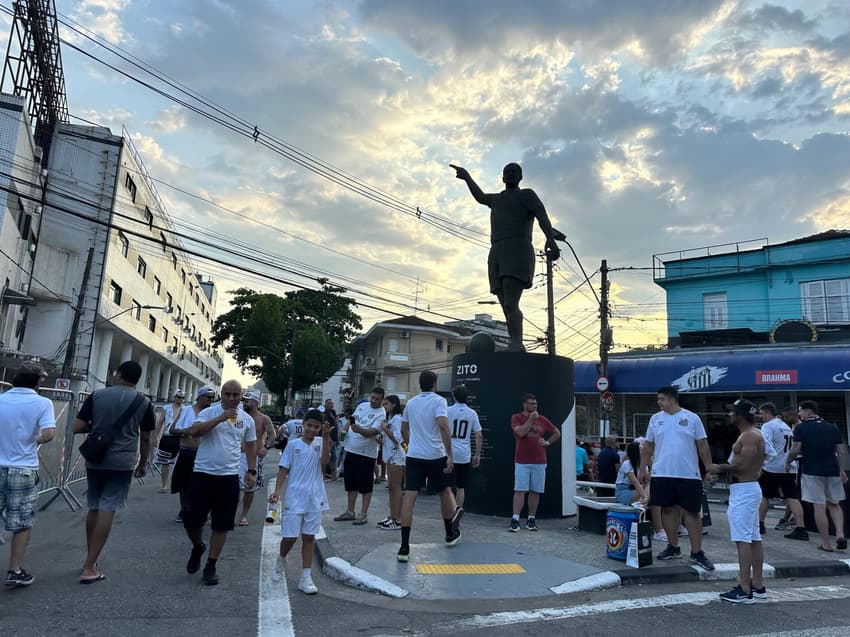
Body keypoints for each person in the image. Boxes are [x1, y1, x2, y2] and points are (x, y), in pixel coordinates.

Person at [450, 162, 561, 351]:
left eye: (514, 172)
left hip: (517, 249)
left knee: (511, 303)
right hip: (497, 252)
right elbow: (481, 197)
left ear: (520, 177)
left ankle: (517, 343)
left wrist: (551, 239)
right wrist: (467, 177)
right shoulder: (497, 199)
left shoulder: (527, 195)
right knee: (504, 304)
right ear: (502, 178)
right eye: (507, 172)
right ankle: (514, 342)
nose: (510, 175)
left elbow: (542, 216)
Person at [72, 360, 154, 583]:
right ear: (137, 380)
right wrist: (143, 463)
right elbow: (146, 437)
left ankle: (90, 559)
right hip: (122, 461)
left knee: (95, 505)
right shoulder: (144, 402)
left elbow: (77, 426)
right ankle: (90, 565)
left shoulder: (97, 395)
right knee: (109, 507)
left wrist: (98, 427)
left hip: (96, 458)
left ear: (118, 374)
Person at [182, 380, 257, 586]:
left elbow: (251, 445)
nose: (232, 399)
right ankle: (198, 546)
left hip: (229, 476)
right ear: (221, 394)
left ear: (241, 396)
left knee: (221, 524)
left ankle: (211, 565)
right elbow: (195, 432)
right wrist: (220, 418)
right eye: (228, 394)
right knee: (191, 520)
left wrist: (251, 470)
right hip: (203, 473)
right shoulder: (209, 412)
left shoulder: (247, 420)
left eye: (236, 395)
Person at [639, 386, 714, 570]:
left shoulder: (692, 418)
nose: (659, 402)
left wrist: (709, 468)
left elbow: (702, 445)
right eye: (658, 399)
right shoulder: (655, 420)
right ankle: (673, 546)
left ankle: (697, 552)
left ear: (672, 399)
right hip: (662, 472)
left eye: (661, 399)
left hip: (689, 473)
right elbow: (648, 445)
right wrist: (643, 468)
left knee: (691, 513)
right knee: (667, 510)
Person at [398, 371, 463, 562]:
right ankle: (450, 532)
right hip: (435, 454)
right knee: (444, 491)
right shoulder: (439, 401)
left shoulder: (411, 402)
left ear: (420, 384)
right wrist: (450, 454)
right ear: (434, 384)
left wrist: (412, 445)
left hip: (414, 455)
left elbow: (403, 429)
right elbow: (443, 426)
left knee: (409, 497)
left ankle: (404, 548)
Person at [0, 361, 55, 587]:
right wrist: (34, 440)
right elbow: (49, 433)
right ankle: (14, 569)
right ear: (38, 382)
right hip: (23, 468)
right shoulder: (42, 403)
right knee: (22, 522)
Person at [708, 400, 768, 604]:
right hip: (747, 488)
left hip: (744, 490)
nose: (729, 415)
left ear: (741, 415)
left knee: (743, 540)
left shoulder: (750, 435)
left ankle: (744, 589)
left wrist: (719, 468)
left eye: (732, 411)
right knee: (752, 538)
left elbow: (742, 465)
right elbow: (757, 465)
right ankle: (757, 585)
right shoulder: (752, 435)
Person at [269, 409, 331, 594]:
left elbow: (325, 463)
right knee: (290, 537)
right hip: (295, 496)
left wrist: (327, 438)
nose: (312, 430)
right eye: (309, 425)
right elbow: (283, 469)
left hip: (314, 498)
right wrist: (277, 490)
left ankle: (305, 577)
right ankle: (281, 559)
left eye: (316, 427)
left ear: (321, 428)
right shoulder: (293, 445)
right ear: (303, 424)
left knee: (309, 537)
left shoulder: (321, 443)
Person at [786, 400, 847, 552]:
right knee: (834, 503)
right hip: (832, 470)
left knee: (818, 506)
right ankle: (840, 533)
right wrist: (841, 470)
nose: (799, 414)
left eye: (800, 411)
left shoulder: (801, 428)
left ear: (808, 411)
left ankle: (826, 543)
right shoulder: (832, 427)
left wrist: (788, 461)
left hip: (811, 471)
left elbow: (795, 449)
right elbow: (841, 451)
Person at [333, 389, 385, 525]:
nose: (373, 401)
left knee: (366, 485)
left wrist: (360, 430)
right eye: (372, 398)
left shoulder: (381, 414)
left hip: (366, 454)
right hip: (350, 449)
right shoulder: (362, 406)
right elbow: (351, 421)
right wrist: (343, 430)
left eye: (377, 399)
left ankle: (363, 514)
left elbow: (373, 432)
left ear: (382, 400)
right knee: (351, 483)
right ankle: (350, 511)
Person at [509, 394, 560, 532]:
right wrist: (531, 420)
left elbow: (556, 432)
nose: (534, 406)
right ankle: (515, 519)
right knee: (520, 490)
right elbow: (520, 433)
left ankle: (531, 519)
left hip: (539, 460)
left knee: (535, 490)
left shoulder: (542, 419)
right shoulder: (516, 418)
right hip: (522, 460)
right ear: (525, 405)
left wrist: (548, 442)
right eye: (531, 404)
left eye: (536, 404)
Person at [757, 402, 807, 541]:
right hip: (789, 466)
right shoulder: (785, 426)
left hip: (772, 466)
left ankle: (760, 524)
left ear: (767, 413)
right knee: (792, 497)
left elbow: (764, 445)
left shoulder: (768, 426)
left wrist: (759, 463)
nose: (761, 417)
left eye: (761, 414)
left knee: (764, 495)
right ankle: (801, 527)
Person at [169, 386, 215, 523]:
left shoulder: (211, 413)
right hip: (186, 450)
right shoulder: (186, 410)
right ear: (200, 396)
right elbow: (172, 429)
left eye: (212, 398)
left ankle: (201, 511)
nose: (210, 400)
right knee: (183, 483)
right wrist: (187, 431)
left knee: (203, 484)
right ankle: (184, 509)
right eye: (208, 397)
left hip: (203, 452)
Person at [237, 391, 276, 526]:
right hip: (236, 454)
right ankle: (227, 513)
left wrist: (265, 447)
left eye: (247, 401)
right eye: (244, 401)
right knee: (233, 487)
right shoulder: (237, 416)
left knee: (250, 487)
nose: (244, 403)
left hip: (253, 456)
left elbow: (273, 435)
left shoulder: (263, 419)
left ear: (255, 402)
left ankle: (244, 514)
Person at [447, 385, 483, 510]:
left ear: (454, 396)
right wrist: (477, 454)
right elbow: (478, 435)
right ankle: (457, 512)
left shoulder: (448, 411)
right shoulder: (472, 413)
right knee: (461, 487)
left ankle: (449, 509)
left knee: (447, 486)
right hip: (464, 454)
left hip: (449, 452)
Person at [377, 394, 405, 530]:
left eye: (386, 404)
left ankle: (398, 519)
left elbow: (397, 439)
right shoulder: (390, 419)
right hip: (389, 456)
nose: (384, 407)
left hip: (396, 456)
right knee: (391, 488)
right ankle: (392, 516)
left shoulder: (398, 419)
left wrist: (385, 429)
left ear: (394, 404)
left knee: (396, 488)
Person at [153, 389, 185, 493]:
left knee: (180, 463)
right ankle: (164, 485)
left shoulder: (185, 409)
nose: (181, 399)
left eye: (183, 398)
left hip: (180, 437)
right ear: (174, 397)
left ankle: (178, 484)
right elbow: (159, 423)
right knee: (164, 462)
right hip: (167, 437)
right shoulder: (166, 408)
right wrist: (155, 437)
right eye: (179, 397)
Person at [615, 442, 647, 506]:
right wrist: (646, 497)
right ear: (636, 452)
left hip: (637, 490)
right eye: (641, 449)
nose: (644, 451)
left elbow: (648, 479)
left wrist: (651, 464)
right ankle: (645, 500)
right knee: (643, 489)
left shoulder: (643, 465)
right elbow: (634, 481)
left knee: (648, 487)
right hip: (624, 490)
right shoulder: (627, 464)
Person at [323, 399, 339, 480]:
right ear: (325, 404)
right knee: (329, 456)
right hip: (329, 438)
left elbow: (335, 425)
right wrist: (329, 438)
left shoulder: (333, 412)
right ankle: (324, 475)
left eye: (332, 404)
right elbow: (326, 427)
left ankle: (333, 475)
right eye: (329, 403)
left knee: (333, 457)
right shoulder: (325, 414)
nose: (331, 405)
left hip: (334, 438)